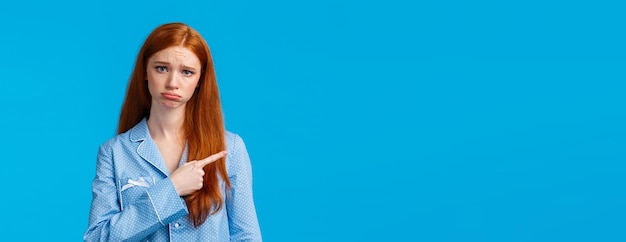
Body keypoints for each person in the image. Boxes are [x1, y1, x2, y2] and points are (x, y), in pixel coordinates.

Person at [84, 22, 262, 241]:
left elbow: (247, 236)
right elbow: (98, 237)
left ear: (199, 80)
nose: (172, 83)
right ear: (145, 72)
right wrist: (172, 188)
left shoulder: (230, 148)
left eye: (187, 72)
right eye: (161, 68)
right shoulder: (114, 153)